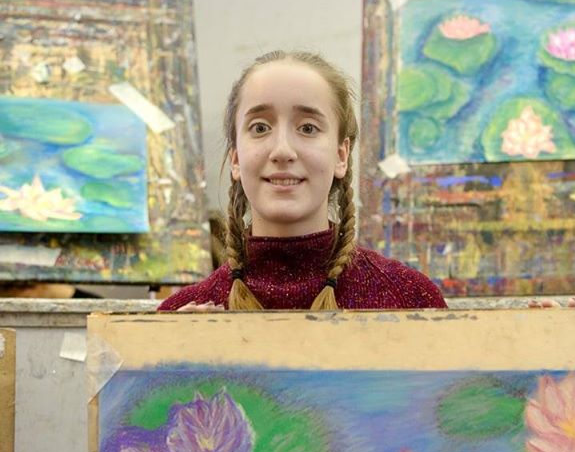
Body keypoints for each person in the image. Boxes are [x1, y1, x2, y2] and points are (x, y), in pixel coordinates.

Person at [159, 50, 447, 312]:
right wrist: (176, 350)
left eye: (308, 128)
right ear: (235, 158)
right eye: (260, 127)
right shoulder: (180, 316)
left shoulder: (410, 299)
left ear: (341, 156)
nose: (282, 150)